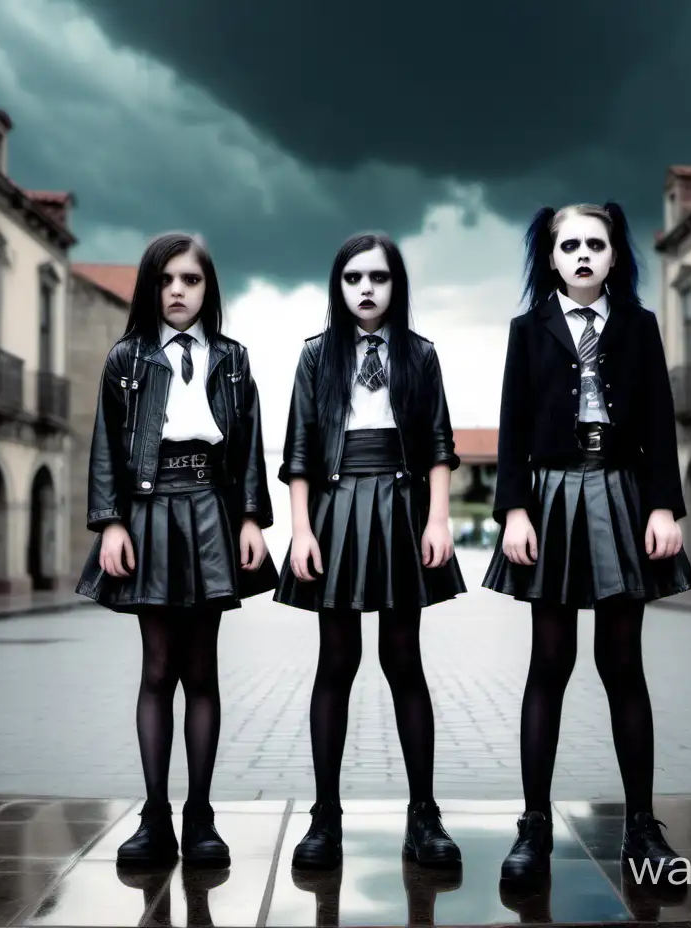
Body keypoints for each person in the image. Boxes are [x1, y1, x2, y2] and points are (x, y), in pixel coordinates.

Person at [482, 203, 691, 885]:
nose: (581, 253)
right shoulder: (527, 330)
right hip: (550, 497)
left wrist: (664, 504)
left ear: (613, 256)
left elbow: (660, 422)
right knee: (550, 662)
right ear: (550, 257)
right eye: (568, 244)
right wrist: (513, 510)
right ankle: (534, 826)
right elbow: (511, 424)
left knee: (622, 664)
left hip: (622, 491)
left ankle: (642, 826)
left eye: (594, 244)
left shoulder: (639, 326)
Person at [76, 232, 278, 870]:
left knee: (202, 671)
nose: (178, 292)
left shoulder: (234, 359)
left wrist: (251, 518)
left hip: (211, 509)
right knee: (157, 670)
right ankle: (154, 816)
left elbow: (248, 445)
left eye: (190, 280)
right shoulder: (126, 359)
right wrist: (111, 523)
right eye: (166, 281)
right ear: (149, 288)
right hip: (148, 509)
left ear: (207, 288)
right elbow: (106, 445)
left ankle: (201, 817)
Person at [275, 232, 466, 872]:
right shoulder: (315, 356)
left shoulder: (420, 355)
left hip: (403, 507)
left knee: (403, 659)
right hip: (334, 507)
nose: (365, 288)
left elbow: (440, 443)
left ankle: (425, 815)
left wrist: (437, 519)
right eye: (353, 277)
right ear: (338, 286)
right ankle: (324, 817)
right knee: (337, 661)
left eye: (378, 278)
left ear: (395, 285)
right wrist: (301, 530)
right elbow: (299, 450)